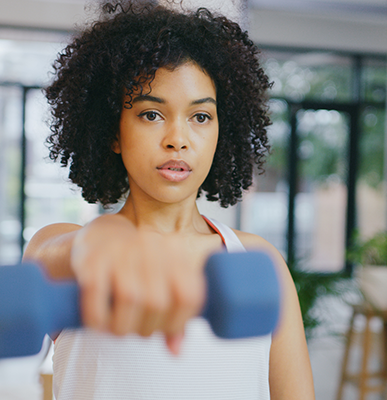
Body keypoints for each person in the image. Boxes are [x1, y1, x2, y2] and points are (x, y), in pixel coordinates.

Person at [23, 1, 315, 399]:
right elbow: (54, 257)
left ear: (221, 133)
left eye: (200, 117)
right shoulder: (63, 249)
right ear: (113, 131)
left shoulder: (258, 262)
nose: (178, 139)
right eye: (151, 114)